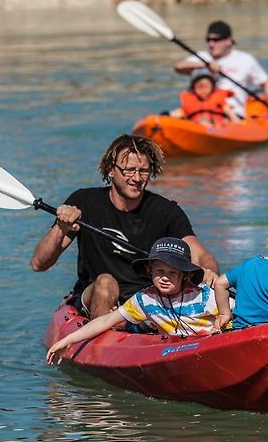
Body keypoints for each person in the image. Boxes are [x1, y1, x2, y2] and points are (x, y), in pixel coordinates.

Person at [31, 134, 219, 320]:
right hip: (95, 295)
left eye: (143, 171)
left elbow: (201, 256)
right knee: (106, 283)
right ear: (111, 169)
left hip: (146, 301)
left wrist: (210, 273)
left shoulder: (166, 210)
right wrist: (61, 228)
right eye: (129, 170)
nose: (137, 178)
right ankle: (103, 337)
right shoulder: (84, 202)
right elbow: (39, 264)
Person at [46, 237, 221, 364]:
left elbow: (237, 314)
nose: (164, 278)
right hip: (181, 351)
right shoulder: (145, 299)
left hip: (212, 345)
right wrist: (68, 340)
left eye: (173, 273)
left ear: (185, 275)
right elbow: (106, 320)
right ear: (149, 270)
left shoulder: (205, 296)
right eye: (159, 271)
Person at [174, 20, 268, 119]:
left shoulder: (245, 59)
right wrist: (205, 64)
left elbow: (266, 84)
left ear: (229, 41)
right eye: (208, 40)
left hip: (232, 114)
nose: (211, 44)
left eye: (216, 40)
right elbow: (178, 67)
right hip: (199, 112)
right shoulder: (201, 57)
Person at [169, 68, 241, 126]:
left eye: (206, 87)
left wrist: (236, 122)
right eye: (199, 88)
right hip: (197, 127)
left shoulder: (219, 99)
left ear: (212, 87)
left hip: (218, 126)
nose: (203, 91)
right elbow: (178, 113)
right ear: (193, 89)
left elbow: (229, 112)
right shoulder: (190, 100)